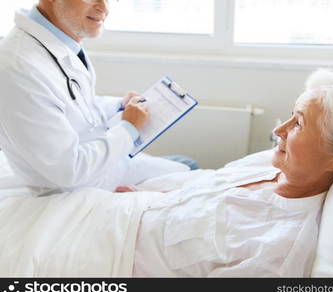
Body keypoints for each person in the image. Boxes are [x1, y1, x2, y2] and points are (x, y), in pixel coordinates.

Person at [116, 69, 333, 277]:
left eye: (299, 124)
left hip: (114, 258)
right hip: (128, 211)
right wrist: (147, 195)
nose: (278, 130)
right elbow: (202, 190)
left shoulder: (278, 251)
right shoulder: (268, 164)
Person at [0, 0, 196, 195]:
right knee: (190, 167)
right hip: (77, 188)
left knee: (187, 164)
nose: (104, 8)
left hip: (99, 165)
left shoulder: (62, 39)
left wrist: (118, 106)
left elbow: (71, 104)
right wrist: (128, 129)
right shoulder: (19, 66)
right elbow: (68, 170)